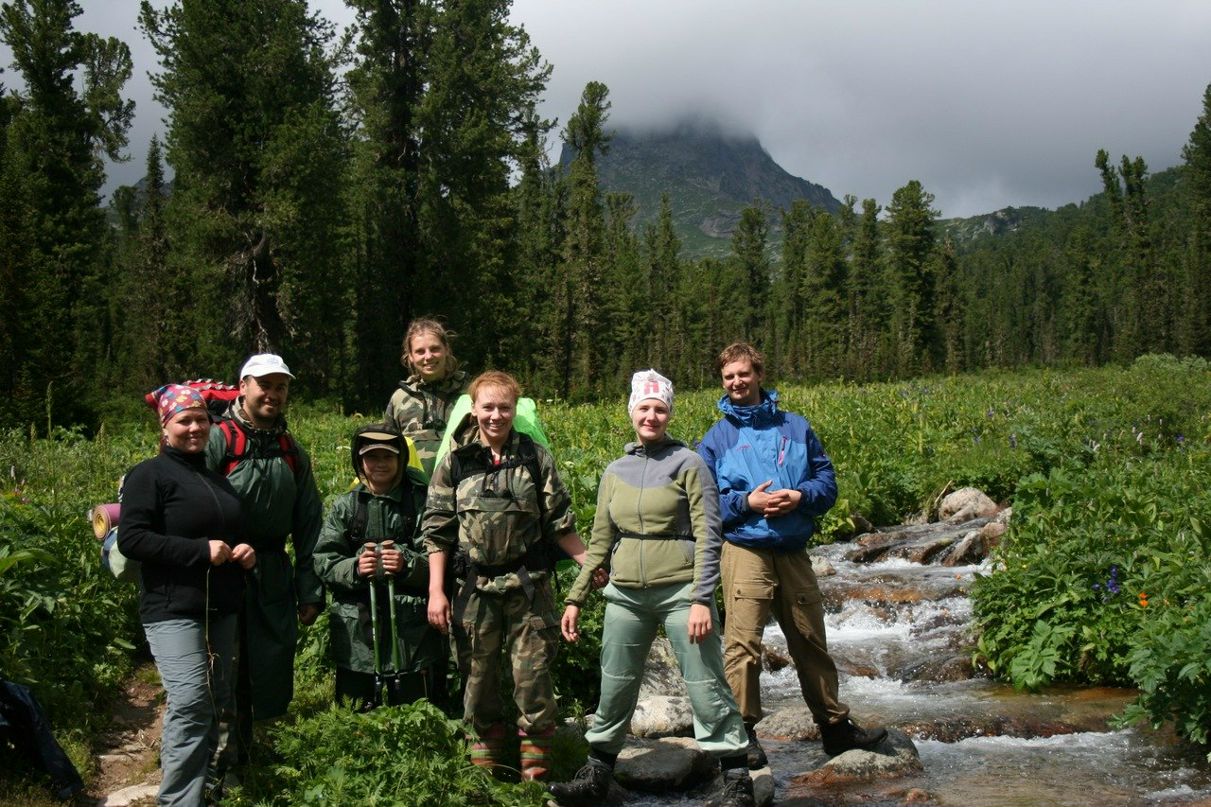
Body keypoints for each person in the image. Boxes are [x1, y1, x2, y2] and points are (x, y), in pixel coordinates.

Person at [549, 369, 755, 807]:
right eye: (644, 407)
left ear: (669, 413)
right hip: (625, 592)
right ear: (631, 413)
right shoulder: (615, 470)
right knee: (616, 681)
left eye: (660, 408)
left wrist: (702, 599)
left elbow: (709, 533)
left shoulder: (689, 464)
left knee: (705, 682)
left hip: (682, 591)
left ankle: (737, 777)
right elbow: (601, 539)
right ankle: (597, 775)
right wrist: (575, 598)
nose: (652, 415)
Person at [697, 342, 887, 766]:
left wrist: (800, 496)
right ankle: (742, 734)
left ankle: (835, 728)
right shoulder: (714, 439)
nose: (736, 382)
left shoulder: (796, 427)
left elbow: (827, 483)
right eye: (728, 377)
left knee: (809, 639)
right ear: (722, 382)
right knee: (742, 645)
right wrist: (749, 503)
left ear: (759, 374)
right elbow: (706, 504)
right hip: (744, 547)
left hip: (793, 548)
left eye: (743, 374)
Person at [424, 370, 594, 782]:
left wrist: (592, 561)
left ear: (515, 410)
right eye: (488, 407)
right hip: (472, 590)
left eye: (504, 407)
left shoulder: (536, 459)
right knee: (477, 682)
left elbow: (560, 525)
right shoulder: (456, 462)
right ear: (474, 409)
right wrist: (435, 591)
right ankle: (487, 777)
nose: (496, 416)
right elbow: (437, 531)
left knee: (533, 681)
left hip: (529, 588)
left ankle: (535, 780)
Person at [118, 385, 256, 807]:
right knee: (191, 702)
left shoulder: (216, 479)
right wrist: (199, 551)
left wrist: (245, 550)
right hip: (172, 607)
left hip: (221, 606)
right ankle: (178, 800)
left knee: (216, 701)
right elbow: (133, 539)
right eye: (184, 420)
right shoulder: (149, 476)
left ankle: (206, 789)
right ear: (165, 427)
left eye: (202, 419)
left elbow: (231, 532)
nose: (195, 427)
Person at [204, 353, 324, 761]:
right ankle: (219, 757)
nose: (273, 394)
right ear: (243, 387)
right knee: (223, 662)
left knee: (271, 659)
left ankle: (256, 748)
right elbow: (192, 504)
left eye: (281, 386)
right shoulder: (219, 439)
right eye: (265, 385)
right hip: (222, 568)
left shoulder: (292, 450)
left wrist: (309, 589)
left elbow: (309, 522)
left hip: (272, 568)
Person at [313, 423, 446, 710]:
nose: (381, 463)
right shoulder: (345, 507)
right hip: (357, 635)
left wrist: (407, 564)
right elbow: (324, 562)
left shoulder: (421, 503)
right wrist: (356, 568)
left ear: (400, 458)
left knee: (418, 717)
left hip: (412, 635)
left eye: (388, 456)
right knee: (355, 716)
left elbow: (441, 559)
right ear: (360, 461)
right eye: (372, 457)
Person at [385, 318, 468, 480]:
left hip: (462, 489)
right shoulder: (400, 398)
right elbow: (388, 449)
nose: (428, 357)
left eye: (435, 349)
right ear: (410, 357)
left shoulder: (470, 392)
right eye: (420, 351)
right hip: (413, 493)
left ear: (446, 349)